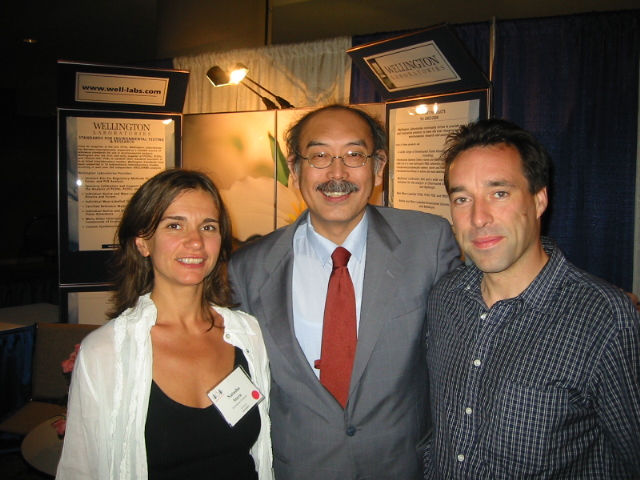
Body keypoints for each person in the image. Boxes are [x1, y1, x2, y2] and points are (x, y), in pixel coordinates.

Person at [228, 104, 461, 479]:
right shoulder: (248, 268)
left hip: (400, 467)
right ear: (295, 170)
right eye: (319, 156)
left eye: (354, 155)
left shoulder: (428, 242)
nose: (337, 174)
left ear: (378, 168)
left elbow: (463, 357)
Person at [424, 119, 640, 478]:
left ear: (539, 200)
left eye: (499, 193)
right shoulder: (445, 298)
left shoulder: (602, 318)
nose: (478, 218)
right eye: (462, 199)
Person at [56, 169, 273, 479]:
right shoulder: (106, 351)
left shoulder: (247, 334)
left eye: (208, 227)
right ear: (143, 242)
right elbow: (80, 468)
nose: (195, 241)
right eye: (174, 225)